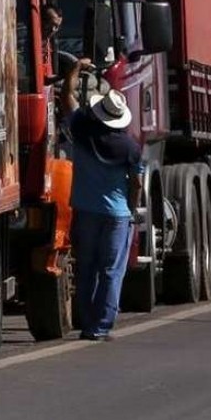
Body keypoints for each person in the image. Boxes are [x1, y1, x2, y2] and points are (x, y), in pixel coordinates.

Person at [62, 58, 143, 341]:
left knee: (86, 267)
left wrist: (75, 69)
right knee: (112, 270)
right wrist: (132, 210)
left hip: (85, 210)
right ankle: (102, 325)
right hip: (117, 215)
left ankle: (86, 322)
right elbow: (136, 183)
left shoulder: (82, 131)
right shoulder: (130, 147)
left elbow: (68, 97)